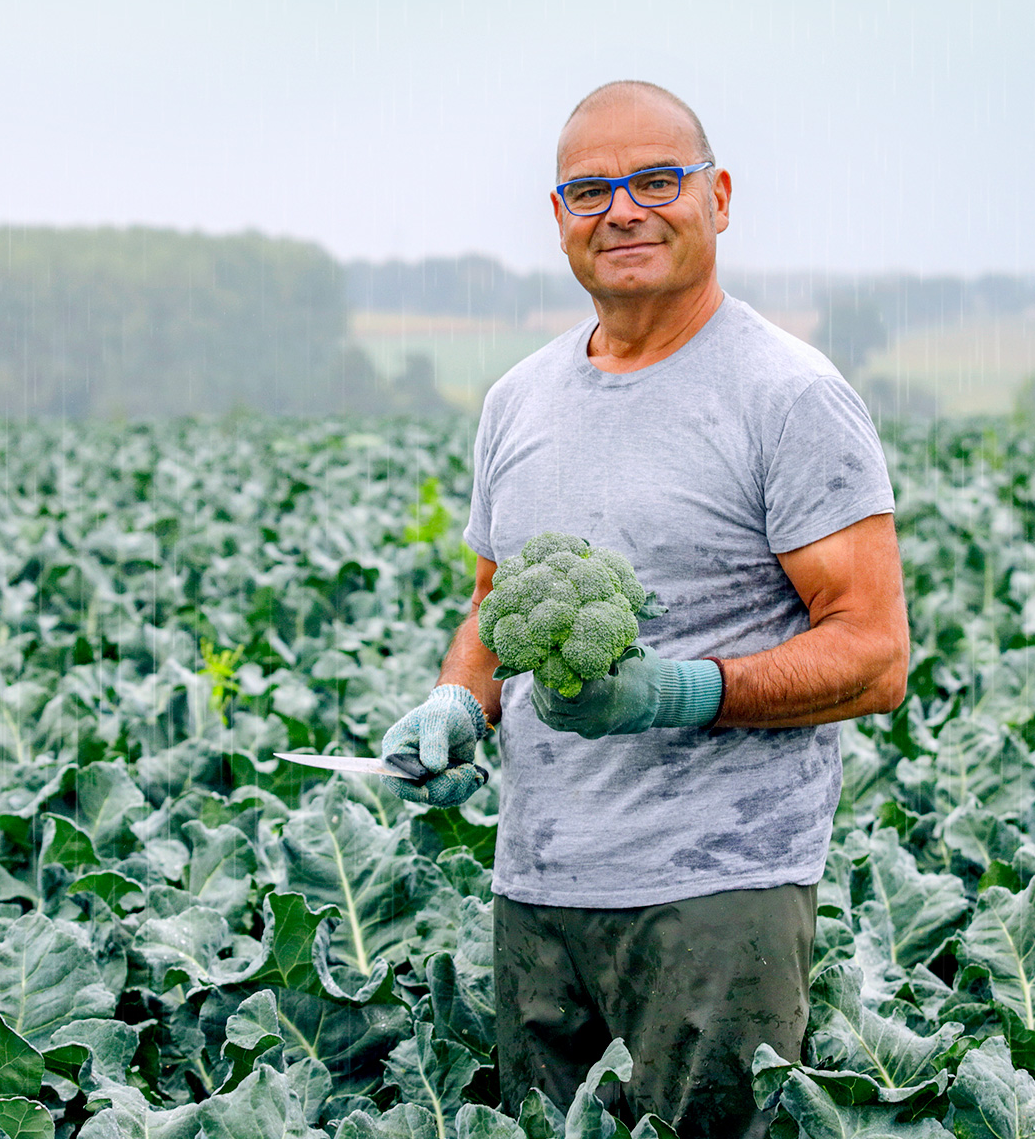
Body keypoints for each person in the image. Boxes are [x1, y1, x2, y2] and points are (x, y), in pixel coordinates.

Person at [378, 81, 908, 1139]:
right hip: (537, 888)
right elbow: (497, 602)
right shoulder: (519, 398)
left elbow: (875, 652)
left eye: (655, 181)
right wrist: (456, 698)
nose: (621, 210)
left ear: (717, 196)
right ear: (559, 216)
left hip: (716, 896)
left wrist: (679, 689)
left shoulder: (786, 394)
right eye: (589, 190)